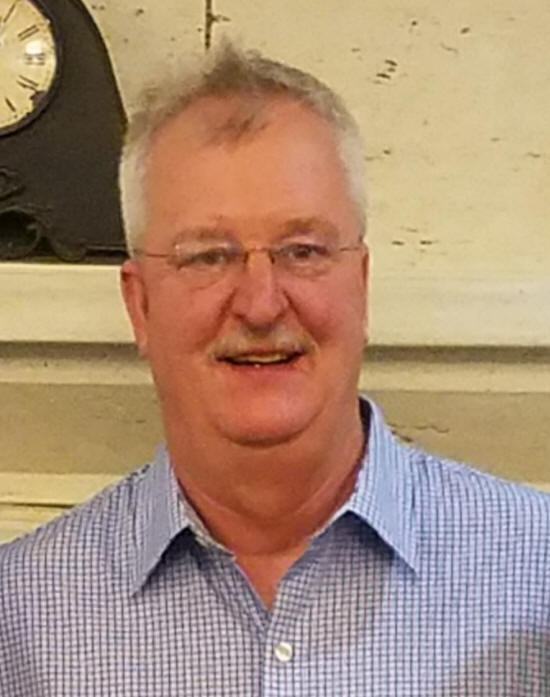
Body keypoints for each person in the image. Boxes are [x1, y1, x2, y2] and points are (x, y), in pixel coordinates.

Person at [1, 41, 549, 696]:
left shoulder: (535, 576)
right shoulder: (19, 619)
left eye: (303, 251)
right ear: (139, 305)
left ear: (361, 284)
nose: (261, 304)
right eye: (208, 256)